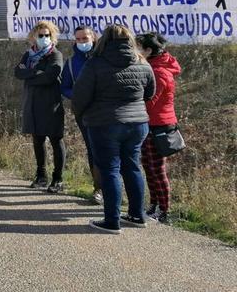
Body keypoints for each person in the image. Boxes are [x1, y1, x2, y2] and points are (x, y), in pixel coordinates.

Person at [73, 24, 156, 234]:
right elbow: (150, 92)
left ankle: (112, 220)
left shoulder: (95, 64)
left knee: (110, 170)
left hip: (104, 123)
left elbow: (80, 97)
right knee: (133, 166)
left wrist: (82, 114)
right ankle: (137, 215)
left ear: (103, 40)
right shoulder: (142, 62)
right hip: (137, 123)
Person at [14, 21, 66, 193]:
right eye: (40, 35)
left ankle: (58, 178)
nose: (44, 38)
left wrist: (30, 75)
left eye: (47, 35)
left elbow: (51, 76)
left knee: (56, 140)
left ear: (52, 36)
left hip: (51, 104)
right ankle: (41, 176)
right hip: (32, 104)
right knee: (37, 139)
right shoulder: (28, 55)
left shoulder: (55, 55)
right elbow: (18, 72)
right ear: (33, 37)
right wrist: (36, 73)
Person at [137, 32, 181, 225]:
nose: (135, 50)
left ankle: (165, 211)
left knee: (157, 170)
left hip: (158, 125)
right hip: (150, 124)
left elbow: (149, 101)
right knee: (149, 167)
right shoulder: (152, 66)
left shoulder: (159, 71)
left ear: (148, 50)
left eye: (138, 47)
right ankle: (154, 205)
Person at [61, 26, 102, 204]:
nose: (82, 42)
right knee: (93, 148)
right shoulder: (71, 62)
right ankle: (98, 188)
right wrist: (77, 97)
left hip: (105, 110)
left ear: (93, 37)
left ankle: (115, 187)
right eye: (78, 39)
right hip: (83, 111)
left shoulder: (103, 58)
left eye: (85, 38)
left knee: (110, 149)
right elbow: (64, 86)